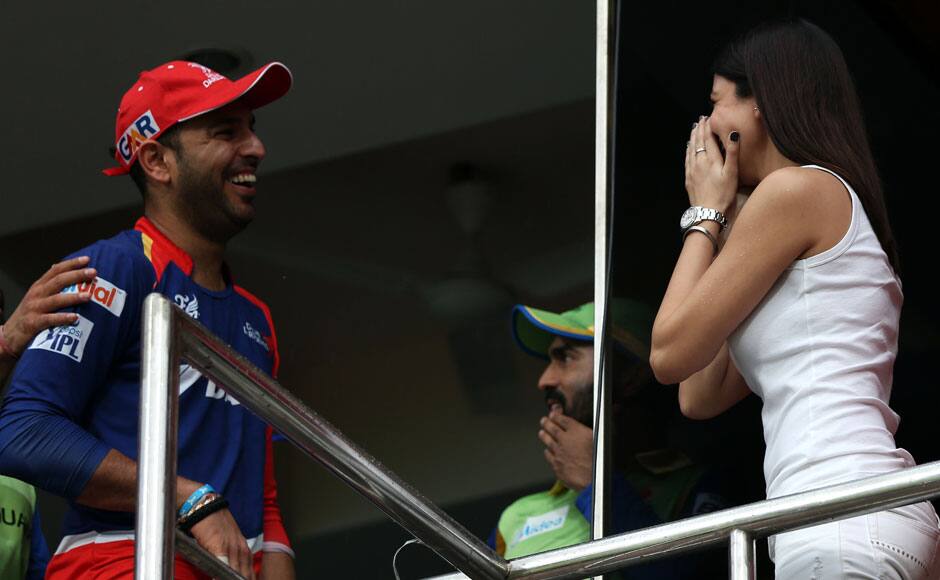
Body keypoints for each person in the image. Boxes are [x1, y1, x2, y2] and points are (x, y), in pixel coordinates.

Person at [649, 19, 939, 578]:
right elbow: (697, 394)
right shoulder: (807, 206)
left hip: (837, 510)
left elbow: (667, 353)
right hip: (859, 509)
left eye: (715, 103)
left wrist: (703, 214)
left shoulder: (797, 190)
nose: (706, 126)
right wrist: (724, 223)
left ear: (759, 102)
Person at [0, 60, 296, 579]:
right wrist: (186, 496)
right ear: (157, 162)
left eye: (251, 129)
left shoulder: (257, 318)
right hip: (122, 560)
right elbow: (23, 431)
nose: (255, 147)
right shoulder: (111, 269)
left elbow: (262, 498)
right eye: (226, 132)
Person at [490, 301, 726, 576]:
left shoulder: (696, 486)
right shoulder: (515, 517)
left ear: (630, 376)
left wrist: (596, 484)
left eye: (565, 358)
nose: (544, 380)